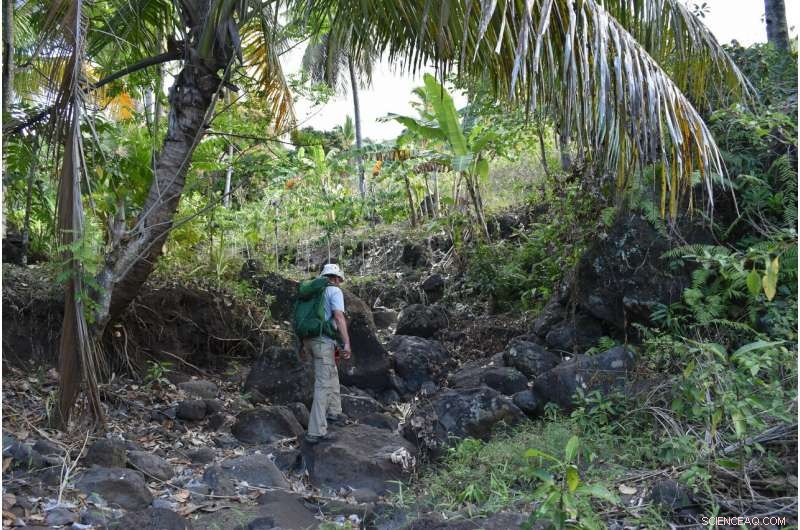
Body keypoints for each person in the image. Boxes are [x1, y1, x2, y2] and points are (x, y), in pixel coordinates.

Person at [302, 263, 352, 444]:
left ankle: (334, 412)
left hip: (310, 340)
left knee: (331, 373)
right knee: (323, 384)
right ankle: (316, 431)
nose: (339, 282)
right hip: (323, 341)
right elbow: (338, 317)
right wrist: (346, 343)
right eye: (339, 279)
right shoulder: (334, 291)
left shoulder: (313, 292)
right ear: (337, 278)